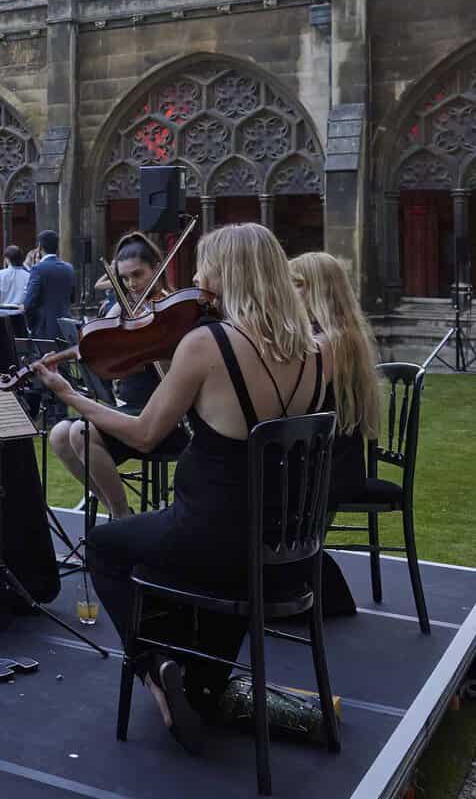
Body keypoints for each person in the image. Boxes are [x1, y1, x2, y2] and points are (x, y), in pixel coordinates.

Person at [33, 223, 331, 754]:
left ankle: (156, 666)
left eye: (205, 266)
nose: (195, 278)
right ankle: (203, 677)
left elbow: (146, 434)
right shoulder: (318, 349)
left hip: (213, 536)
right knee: (164, 544)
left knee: (107, 547)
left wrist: (67, 395)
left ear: (232, 273)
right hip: (284, 545)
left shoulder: (208, 343)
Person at [47, 233, 191, 518]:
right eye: (124, 278)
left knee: (80, 431)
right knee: (59, 435)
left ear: (157, 267)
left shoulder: (176, 312)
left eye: (138, 275)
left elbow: (182, 376)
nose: (132, 285)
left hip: (168, 419)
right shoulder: (121, 310)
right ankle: (117, 509)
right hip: (130, 409)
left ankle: (120, 515)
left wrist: (157, 344)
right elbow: (100, 357)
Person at [290, 250, 383, 617]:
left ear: (318, 290)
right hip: (329, 460)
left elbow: (295, 401)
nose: (287, 291)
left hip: (328, 469)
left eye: (296, 284)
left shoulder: (329, 342)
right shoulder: (338, 334)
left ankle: (299, 588)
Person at [21, 229, 74, 348]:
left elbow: (29, 303)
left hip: (43, 328)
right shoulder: (69, 268)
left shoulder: (38, 269)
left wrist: (31, 324)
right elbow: (72, 298)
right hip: (64, 326)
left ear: (39, 247)